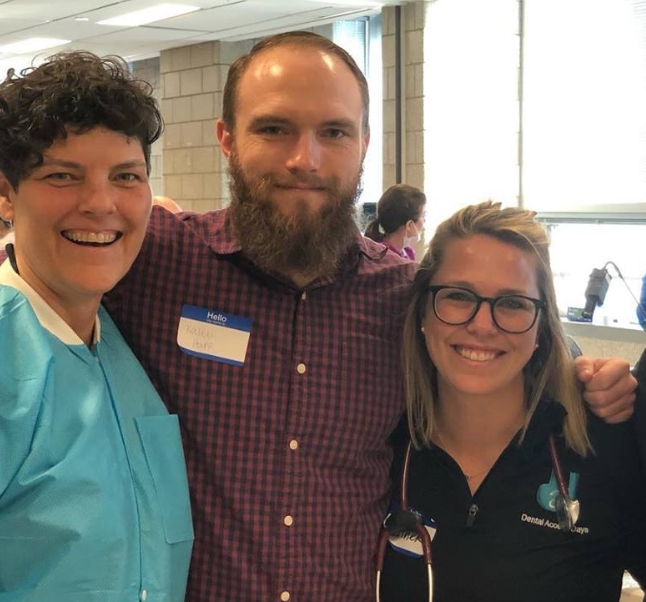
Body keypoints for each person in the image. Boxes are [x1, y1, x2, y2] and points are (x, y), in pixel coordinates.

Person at [102, 32, 637, 602]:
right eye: (274, 128)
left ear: (363, 144)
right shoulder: (153, 262)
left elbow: (499, 333)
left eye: (333, 132)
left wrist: (587, 373)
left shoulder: (403, 297)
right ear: (227, 139)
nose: (304, 159)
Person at [378, 201, 646, 602]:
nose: (482, 325)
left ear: (542, 326)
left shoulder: (604, 444)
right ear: (422, 314)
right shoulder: (382, 446)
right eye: (458, 296)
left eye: (513, 303)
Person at [0, 52, 193, 600]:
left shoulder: (121, 348)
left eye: (126, 177)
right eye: (63, 175)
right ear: (7, 195)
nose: (101, 204)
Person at [364, 183, 426, 260]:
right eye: (423, 215)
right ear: (409, 225)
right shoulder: (382, 257)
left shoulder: (408, 252)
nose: (424, 220)